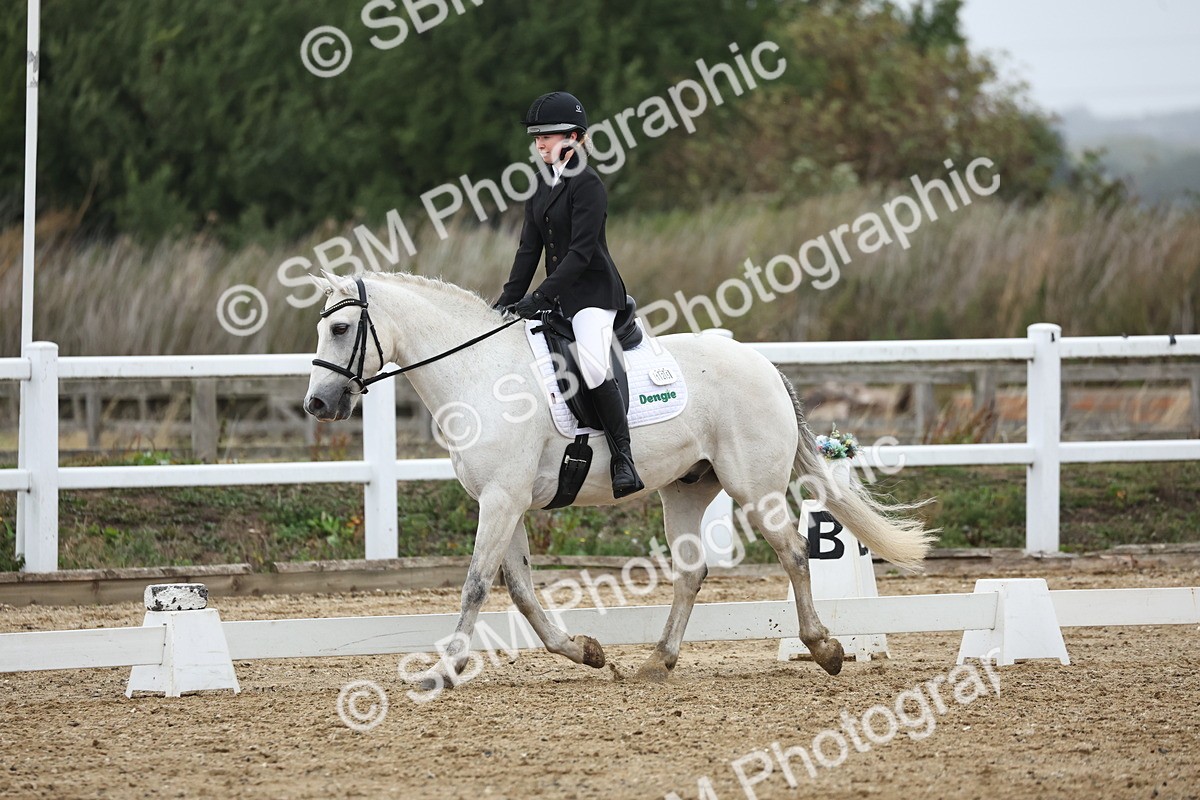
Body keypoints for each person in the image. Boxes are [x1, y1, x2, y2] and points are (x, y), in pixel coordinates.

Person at [494, 91, 645, 499]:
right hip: (558, 296)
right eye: (536, 137)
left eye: (548, 136)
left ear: (575, 137)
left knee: (594, 368)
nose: (539, 144)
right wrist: (507, 301)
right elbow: (529, 250)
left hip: (593, 294)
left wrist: (541, 296)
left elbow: (580, 252)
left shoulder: (589, 184)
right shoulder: (542, 186)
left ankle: (623, 458)